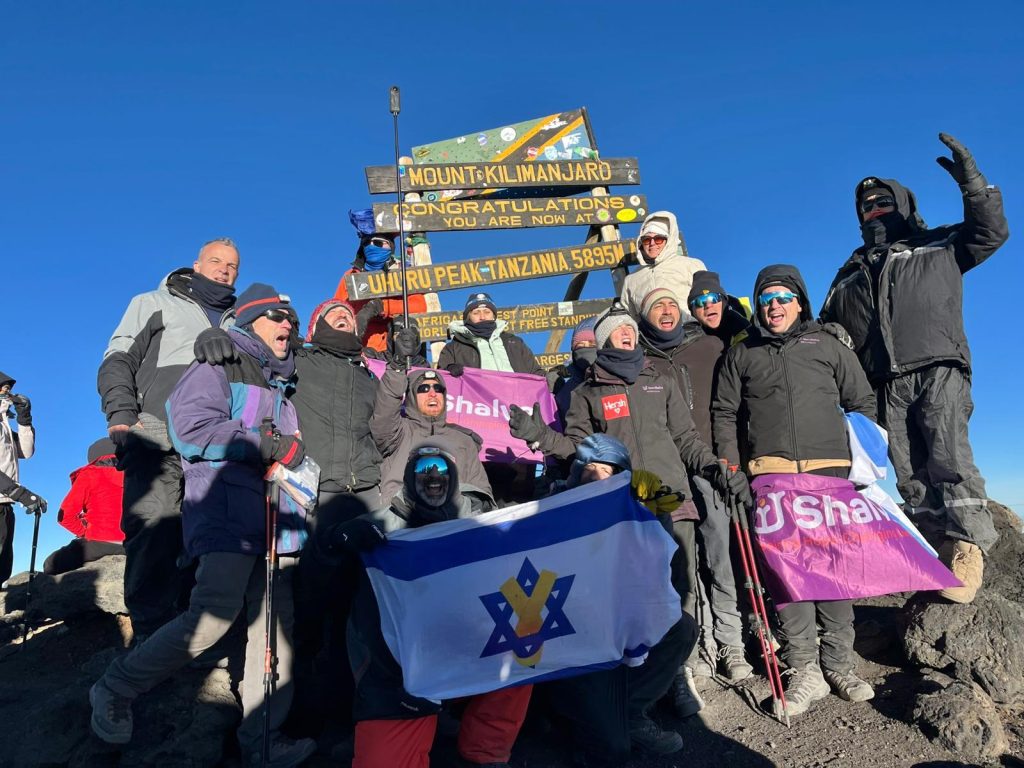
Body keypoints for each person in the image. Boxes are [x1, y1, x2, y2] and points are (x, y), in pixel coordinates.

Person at [90, 284, 316, 767]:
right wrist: (265, 443)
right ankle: (115, 687)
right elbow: (189, 429)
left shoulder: (283, 387)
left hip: (277, 521)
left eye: (293, 321)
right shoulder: (218, 364)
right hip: (228, 512)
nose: (288, 325)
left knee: (275, 631)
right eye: (278, 316)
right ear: (250, 320)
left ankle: (262, 740)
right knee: (212, 616)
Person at [509, 301, 744, 752]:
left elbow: (685, 438)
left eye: (631, 329)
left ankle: (677, 675)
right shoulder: (587, 391)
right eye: (618, 330)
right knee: (633, 597)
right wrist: (539, 436)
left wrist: (711, 467)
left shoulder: (660, 378)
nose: (628, 333)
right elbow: (578, 448)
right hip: (620, 505)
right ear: (604, 340)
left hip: (666, 495)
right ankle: (630, 692)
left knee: (678, 591)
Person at [820, 133, 1009, 604]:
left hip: (937, 365)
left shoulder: (938, 243)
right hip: (884, 382)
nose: (874, 210)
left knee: (949, 457)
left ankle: (969, 548)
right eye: (866, 206)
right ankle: (937, 549)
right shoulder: (849, 272)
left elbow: (990, 233)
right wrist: (832, 334)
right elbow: (824, 326)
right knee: (908, 472)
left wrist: (974, 186)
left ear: (902, 204)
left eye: (883, 202)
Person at [713, 264, 877, 717]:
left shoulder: (827, 346)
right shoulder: (742, 354)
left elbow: (861, 402)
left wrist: (862, 461)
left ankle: (839, 664)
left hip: (830, 475)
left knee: (836, 572)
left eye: (783, 297)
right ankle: (805, 670)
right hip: (772, 476)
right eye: (766, 300)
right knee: (789, 576)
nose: (775, 306)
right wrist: (731, 466)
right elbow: (724, 414)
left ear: (800, 302)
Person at [323, 442, 530, 768]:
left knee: (528, 643)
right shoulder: (382, 525)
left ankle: (485, 749)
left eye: (441, 469)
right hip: (404, 672)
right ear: (408, 477)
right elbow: (324, 574)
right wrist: (334, 539)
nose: (433, 477)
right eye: (422, 470)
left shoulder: (485, 523)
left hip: (472, 649)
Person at [97, 237, 239, 639]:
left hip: (215, 440)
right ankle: (149, 639)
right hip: (157, 429)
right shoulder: (153, 302)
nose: (224, 270)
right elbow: (117, 358)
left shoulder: (239, 323)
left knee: (207, 533)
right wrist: (122, 415)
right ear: (197, 265)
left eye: (232, 266)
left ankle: (192, 637)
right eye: (216, 261)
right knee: (155, 526)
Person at [636, 288, 751, 691]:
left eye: (671, 304)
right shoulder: (641, 362)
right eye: (657, 307)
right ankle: (698, 642)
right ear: (644, 317)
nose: (666, 311)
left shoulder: (709, 344)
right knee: (685, 562)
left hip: (710, 461)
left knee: (720, 554)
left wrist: (728, 455)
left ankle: (731, 641)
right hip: (668, 471)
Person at [370, 333, 493, 508]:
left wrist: (461, 507)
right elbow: (385, 412)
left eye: (438, 388)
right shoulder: (397, 433)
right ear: (411, 397)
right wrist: (397, 367)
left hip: (451, 520)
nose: (432, 393)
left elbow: (482, 493)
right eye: (423, 389)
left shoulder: (464, 441)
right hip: (403, 519)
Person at [333, 209, 427, 353]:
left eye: (378, 243)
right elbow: (336, 308)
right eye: (367, 243)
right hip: (358, 350)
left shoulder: (403, 273)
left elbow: (420, 306)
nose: (371, 246)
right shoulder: (350, 276)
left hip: (394, 351)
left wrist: (382, 307)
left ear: (390, 247)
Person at [43, 437, 125, 576]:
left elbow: (65, 516)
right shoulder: (137, 475)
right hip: (132, 544)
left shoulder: (90, 475)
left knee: (51, 563)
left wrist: (85, 531)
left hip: (98, 543)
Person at [619, 211, 706, 320]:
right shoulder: (631, 280)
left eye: (658, 239)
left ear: (668, 240)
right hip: (649, 331)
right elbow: (630, 317)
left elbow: (709, 302)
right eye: (646, 240)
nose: (652, 243)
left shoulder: (691, 265)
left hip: (689, 328)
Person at [436, 292, 545, 376]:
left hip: (518, 396)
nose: (482, 317)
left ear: (494, 316)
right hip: (477, 398)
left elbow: (536, 373)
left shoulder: (514, 343)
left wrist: (551, 377)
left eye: (487, 312)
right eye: (476, 313)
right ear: (468, 317)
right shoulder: (453, 348)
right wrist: (448, 370)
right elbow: (441, 379)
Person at [0, 372, 40, 584]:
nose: (7, 393)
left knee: (2, 565)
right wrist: (19, 492)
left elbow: (26, 451)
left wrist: (24, 419)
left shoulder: (4, 425)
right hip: (8, 494)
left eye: (8, 389)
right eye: (3, 388)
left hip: (5, 502)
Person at [687, 271, 752, 347]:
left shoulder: (751, 330)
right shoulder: (686, 339)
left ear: (723, 302)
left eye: (714, 298)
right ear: (693, 311)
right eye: (699, 302)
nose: (708, 305)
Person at [552, 317, 598, 423]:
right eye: (580, 345)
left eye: (592, 344)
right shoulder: (565, 393)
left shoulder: (616, 381)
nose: (586, 348)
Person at [362, 313, 429, 369]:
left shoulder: (423, 365)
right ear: (390, 337)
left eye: (411, 336)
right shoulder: (376, 358)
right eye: (397, 334)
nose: (404, 339)